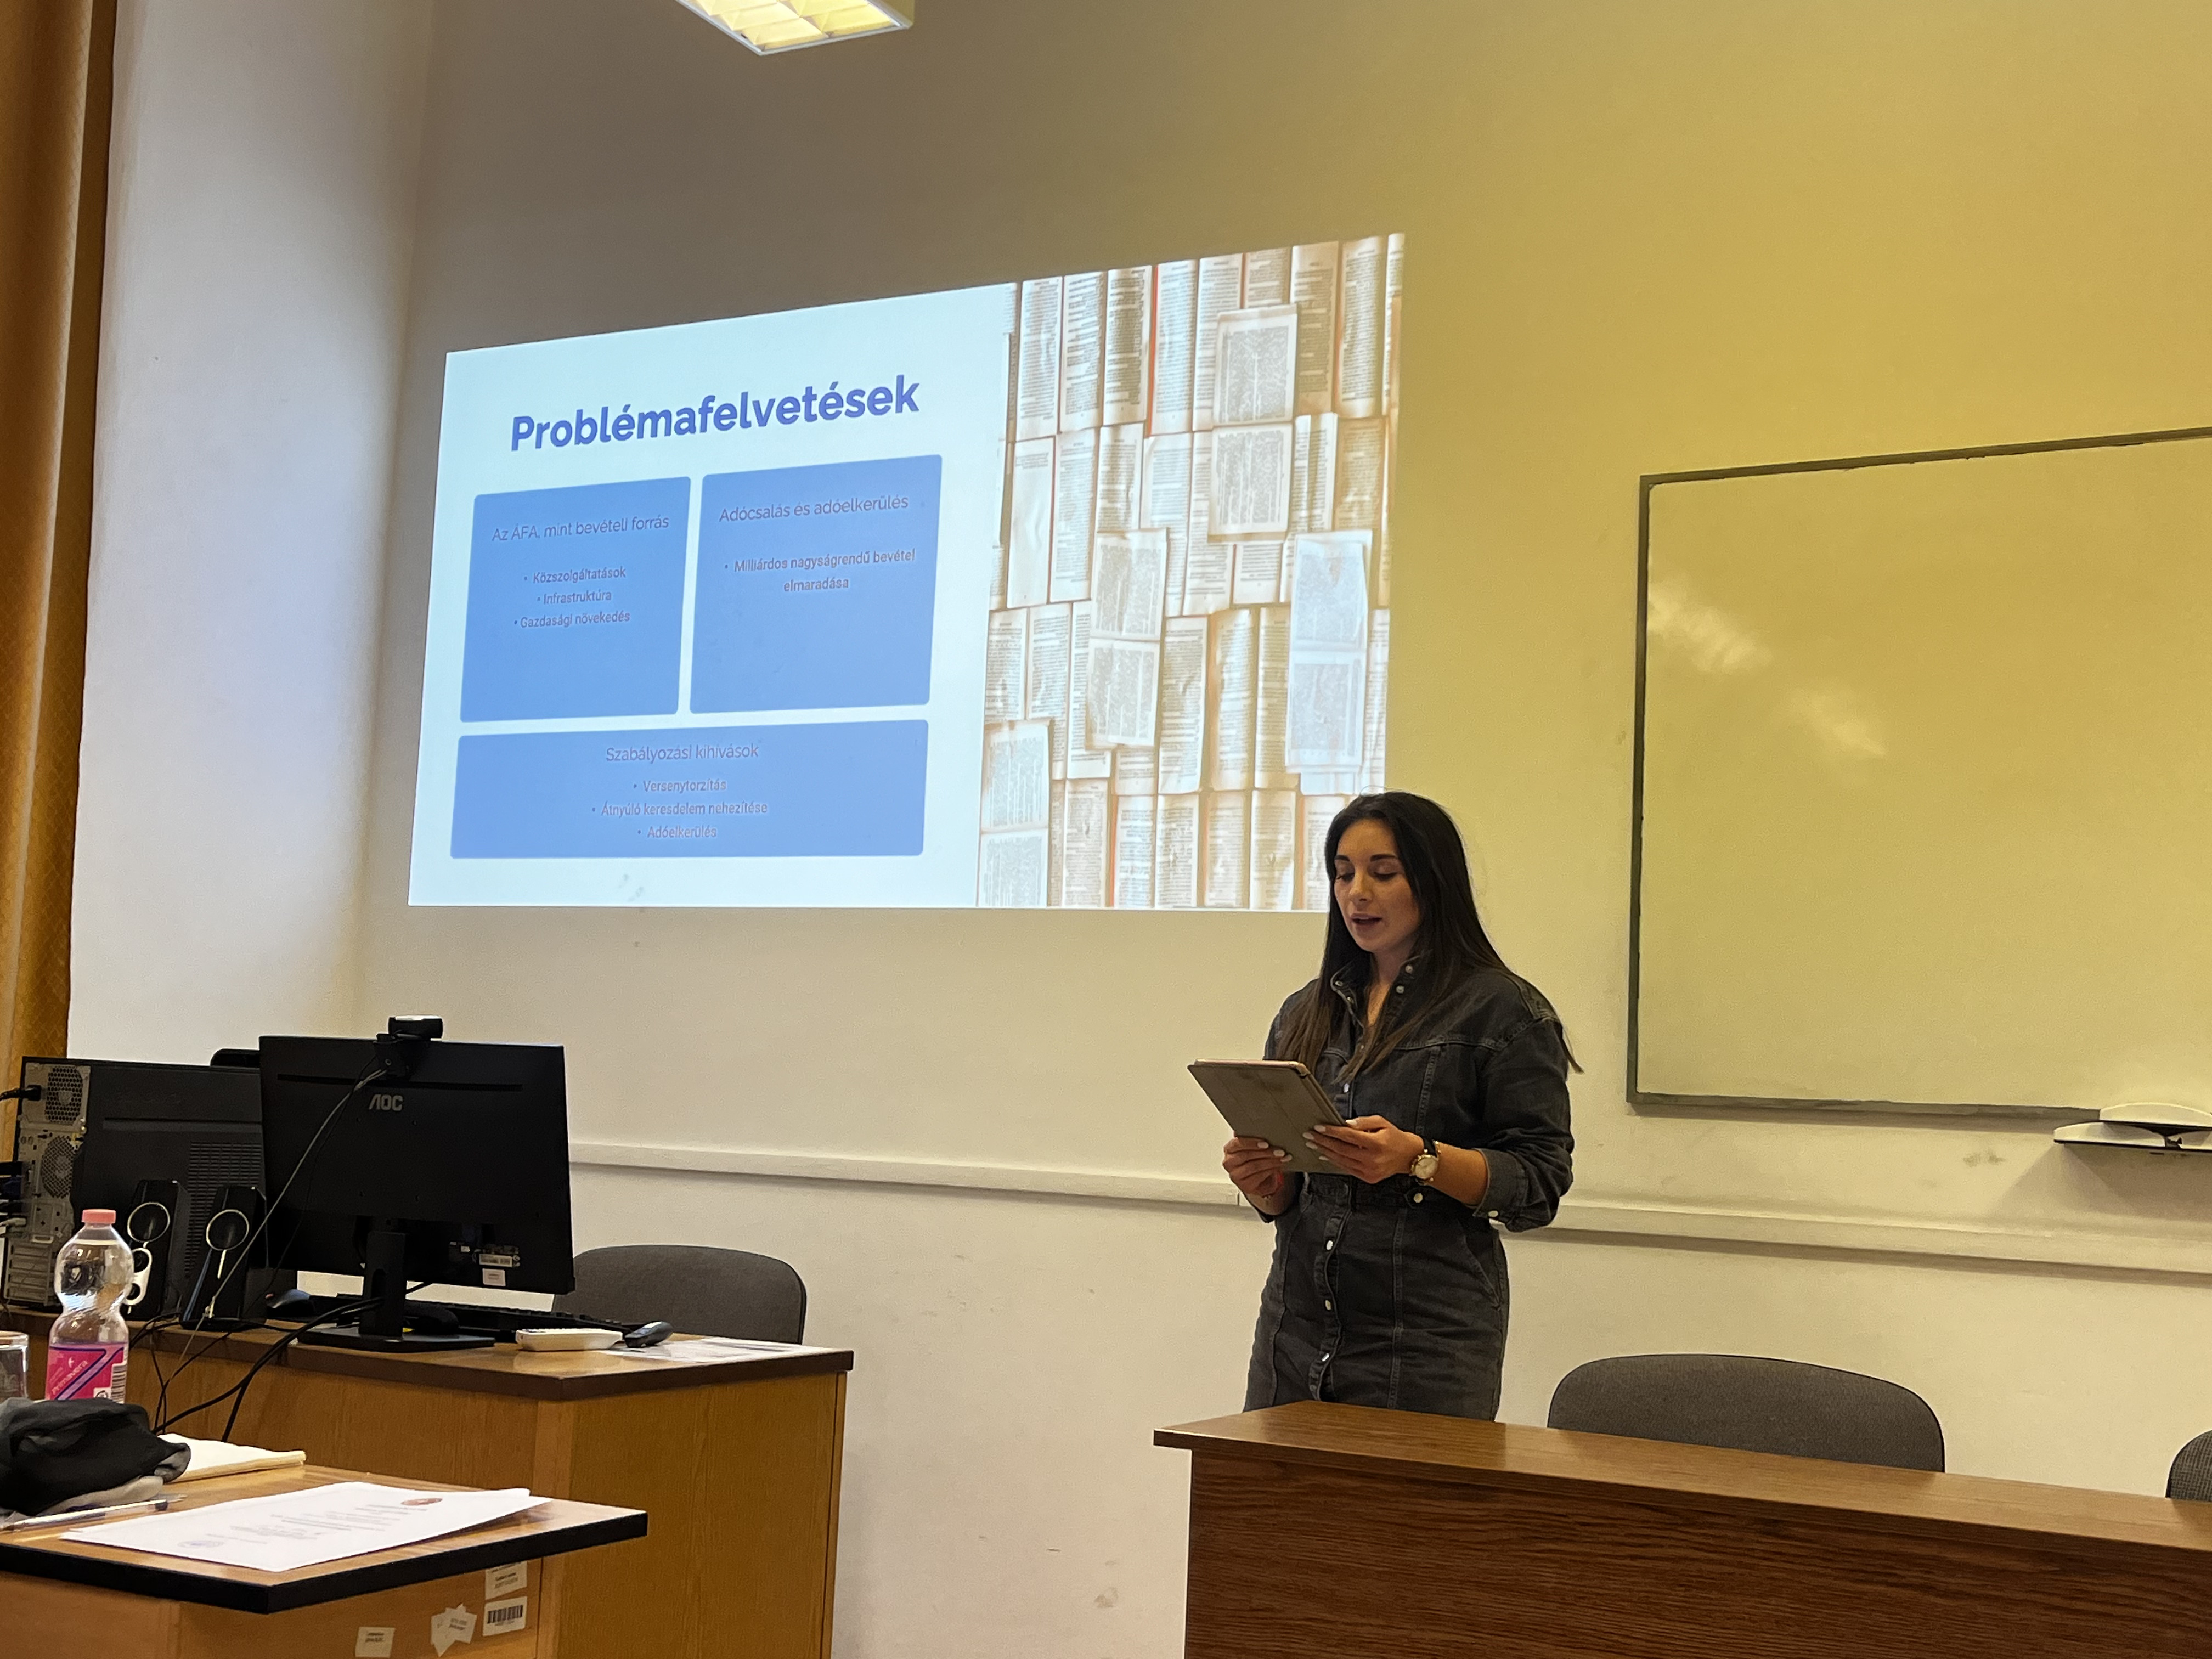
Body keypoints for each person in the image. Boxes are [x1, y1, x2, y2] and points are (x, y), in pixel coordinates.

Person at [1223, 791, 1574, 1420]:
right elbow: (1289, 1200)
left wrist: (1419, 1159)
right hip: (1296, 1331)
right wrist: (1265, 1184)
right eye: (1343, 874)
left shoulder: (1503, 1011)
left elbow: (1539, 1184)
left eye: (1383, 873)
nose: (1357, 893)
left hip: (1425, 1345)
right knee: (1267, 1489)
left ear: (1432, 881)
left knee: (1411, 1493)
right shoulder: (1305, 1012)